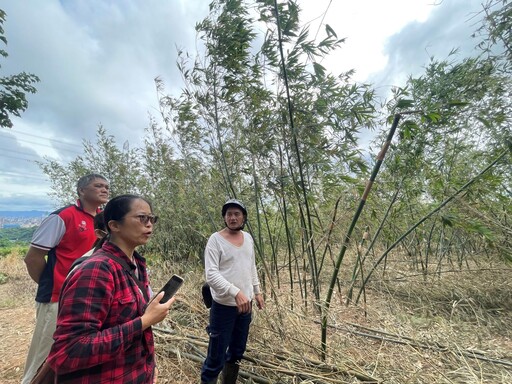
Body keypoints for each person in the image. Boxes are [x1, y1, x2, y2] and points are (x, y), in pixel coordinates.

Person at [46, 194, 174, 383]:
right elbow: (69, 352)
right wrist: (144, 321)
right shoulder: (97, 270)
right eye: (142, 218)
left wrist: (149, 367)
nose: (149, 224)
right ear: (114, 225)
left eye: (152, 219)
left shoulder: (136, 263)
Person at [21, 173, 109, 384]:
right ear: (81, 191)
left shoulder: (105, 220)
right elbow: (33, 257)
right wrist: (52, 284)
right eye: (98, 186)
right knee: (45, 354)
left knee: (76, 355)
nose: (105, 189)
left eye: (106, 186)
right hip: (57, 297)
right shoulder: (63, 216)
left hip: (89, 299)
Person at [201, 199, 265, 384]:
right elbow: (211, 275)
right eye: (229, 214)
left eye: (237, 214)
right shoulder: (215, 240)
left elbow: (251, 266)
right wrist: (235, 292)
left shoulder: (248, 238)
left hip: (245, 306)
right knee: (216, 357)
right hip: (223, 307)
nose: (232, 217)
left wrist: (257, 291)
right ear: (224, 218)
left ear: (243, 217)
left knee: (237, 352)